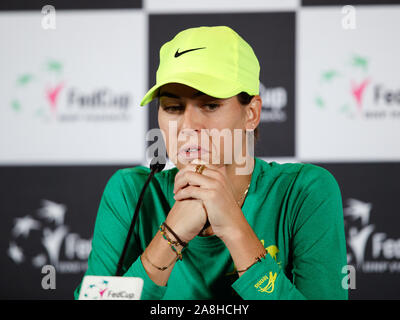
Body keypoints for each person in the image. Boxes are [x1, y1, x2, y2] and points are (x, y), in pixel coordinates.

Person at [74, 26, 348, 300]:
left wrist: (232, 225)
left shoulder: (305, 192)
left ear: (251, 114)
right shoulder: (131, 192)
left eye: (210, 105)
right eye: (173, 107)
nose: (188, 126)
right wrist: (171, 236)